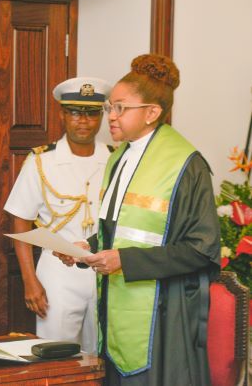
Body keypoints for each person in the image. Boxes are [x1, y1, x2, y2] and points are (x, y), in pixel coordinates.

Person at [57, 54, 220, 385]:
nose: (111, 116)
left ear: (152, 113)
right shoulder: (120, 156)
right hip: (116, 305)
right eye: (110, 108)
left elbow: (202, 249)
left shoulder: (186, 165)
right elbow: (120, 230)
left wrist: (124, 260)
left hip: (162, 312)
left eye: (120, 108)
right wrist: (86, 249)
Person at [4, 77, 112, 354]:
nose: (83, 121)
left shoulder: (114, 159)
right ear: (62, 115)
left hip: (106, 269)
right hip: (58, 274)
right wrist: (30, 280)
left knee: (102, 354)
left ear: (101, 116)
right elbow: (21, 221)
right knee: (57, 354)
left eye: (91, 113)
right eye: (75, 112)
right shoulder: (42, 160)